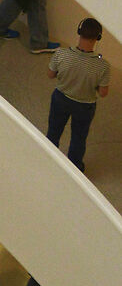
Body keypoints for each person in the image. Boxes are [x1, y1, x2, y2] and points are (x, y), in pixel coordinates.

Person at [46, 18, 109, 171]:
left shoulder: (61, 54)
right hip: (85, 106)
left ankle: (47, 158)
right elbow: (103, 93)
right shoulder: (103, 65)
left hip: (60, 99)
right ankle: (74, 168)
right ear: (98, 38)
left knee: (53, 131)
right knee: (79, 137)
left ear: (79, 32)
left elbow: (50, 74)